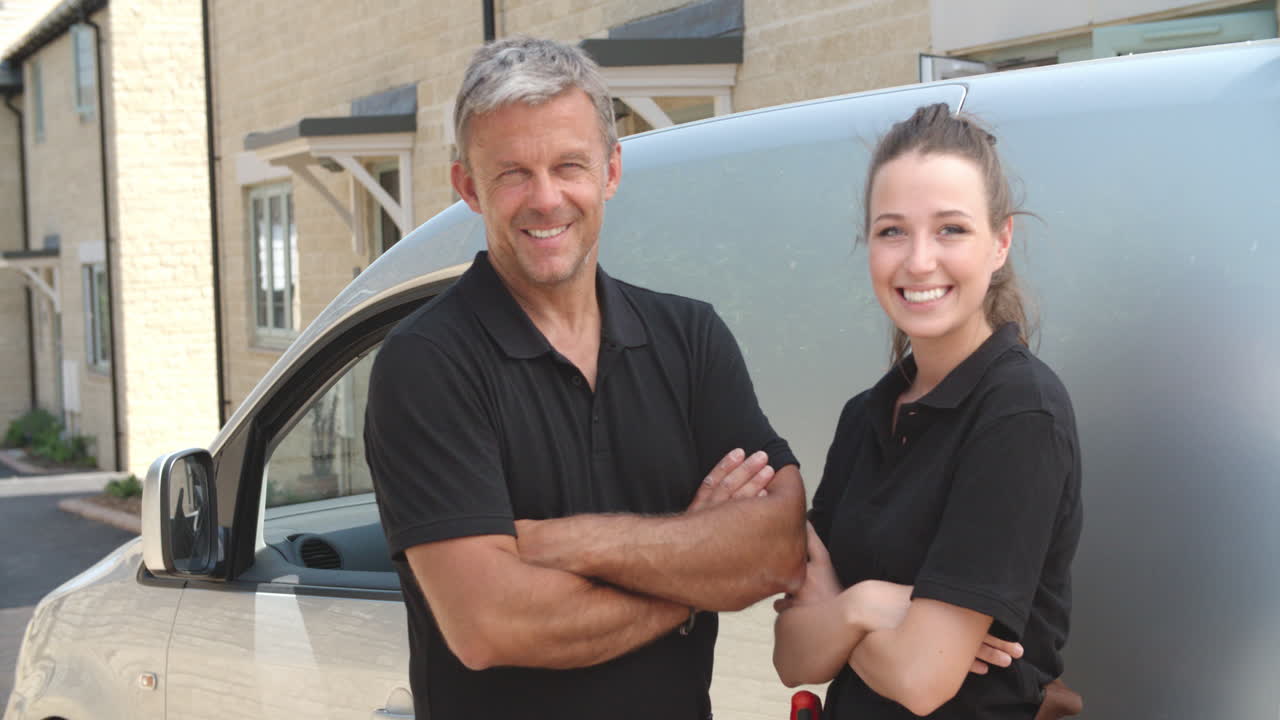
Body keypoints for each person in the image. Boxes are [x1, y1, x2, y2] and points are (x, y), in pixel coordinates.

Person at [364, 36, 809, 720]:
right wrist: (697, 577)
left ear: (611, 171)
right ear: (469, 189)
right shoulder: (427, 363)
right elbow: (490, 625)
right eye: (513, 173)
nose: (546, 199)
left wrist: (563, 542)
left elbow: (777, 547)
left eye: (569, 165)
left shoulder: (690, 339)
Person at [771, 103, 1084, 718]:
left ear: (1000, 241)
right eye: (892, 231)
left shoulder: (1020, 413)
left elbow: (921, 679)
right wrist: (868, 608)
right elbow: (793, 658)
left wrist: (842, 607)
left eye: (951, 229)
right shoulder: (864, 416)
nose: (918, 261)